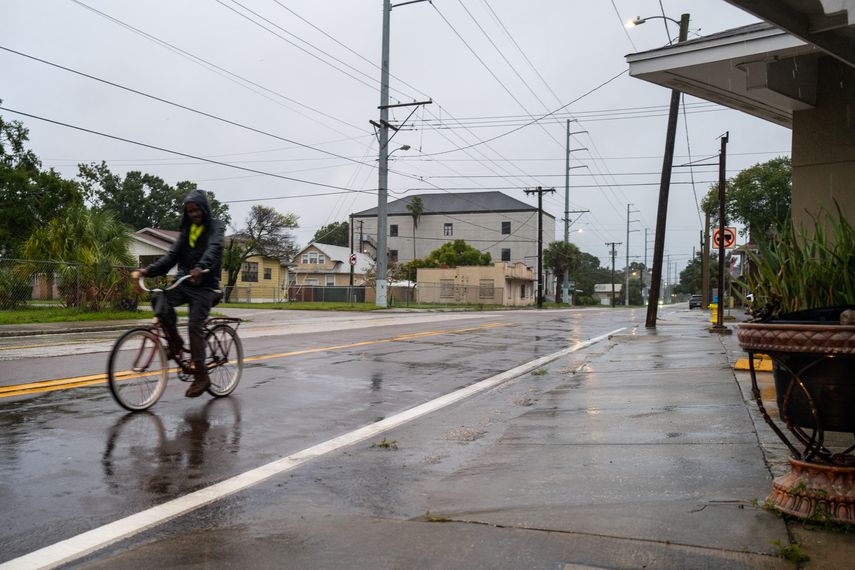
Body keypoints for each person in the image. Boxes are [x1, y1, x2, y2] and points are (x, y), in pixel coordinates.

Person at [138, 190, 224, 398]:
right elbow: (172, 256)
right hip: (186, 282)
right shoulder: (186, 231)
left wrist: (201, 266)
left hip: (207, 286)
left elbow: (214, 248)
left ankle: (201, 376)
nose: (194, 214)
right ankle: (175, 342)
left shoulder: (216, 226)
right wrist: (149, 271)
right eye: (189, 211)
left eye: (196, 209)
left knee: (195, 324)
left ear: (204, 208)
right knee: (159, 297)